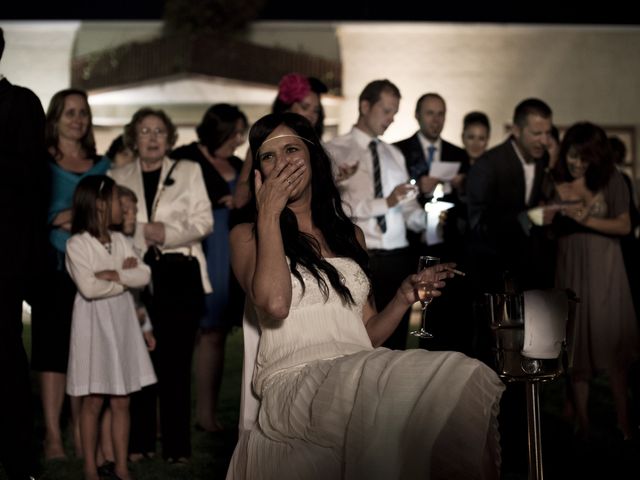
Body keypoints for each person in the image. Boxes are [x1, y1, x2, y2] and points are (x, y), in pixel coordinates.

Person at [225, 112, 505, 479]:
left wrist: (404, 296)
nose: (282, 163)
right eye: (268, 156)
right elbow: (276, 304)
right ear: (258, 171)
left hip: (356, 368)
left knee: (460, 373)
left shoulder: (350, 236)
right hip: (295, 382)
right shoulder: (247, 235)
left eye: (292, 149)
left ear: (313, 158)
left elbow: (366, 334)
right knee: (410, 384)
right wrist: (269, 214)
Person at [109, 107, 213, 463]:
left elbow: (204, 222)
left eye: (158, 131)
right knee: (138, 357)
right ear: (133, 138)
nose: (152, 138)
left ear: (169, 138)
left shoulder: (189, 170)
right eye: (144, 131)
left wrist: (166, 233)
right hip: (134, 273)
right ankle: (139, 443)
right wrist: (140, 233)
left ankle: (177, 447)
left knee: (175, 362)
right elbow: (112, 225)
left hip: (180, 272)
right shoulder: (117, 174)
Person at [30, 88, 110, 460]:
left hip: (92, 272)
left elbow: (106, 216)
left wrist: (68, 219)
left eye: (83, 113)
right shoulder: (39, 164)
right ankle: (52, 437)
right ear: (55, 119)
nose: (78, 120)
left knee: (86, 352)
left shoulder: (102, 165)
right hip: (53, 270)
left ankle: (82, 434)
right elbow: (34, 216)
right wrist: (61, 220)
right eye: (70, 113)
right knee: (51, 352)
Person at [549, 122, 639, 441]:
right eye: (573, 156)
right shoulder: (555, 180)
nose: (576, 164)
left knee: (612, 344)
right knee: (575, 347)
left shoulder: (613, 180)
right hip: (570, 266)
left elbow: (625, 225)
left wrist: (586, 218)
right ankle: (583, 424)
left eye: (584, 159)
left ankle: (624, 423)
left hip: (606, 268)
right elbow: (541, 223)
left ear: (596, 158)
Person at [65, 174, 156, 480]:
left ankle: (120, 466)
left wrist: (112, 274)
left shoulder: (120, 240)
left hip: (121, 323)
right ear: (101, 204)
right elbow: (89, 289)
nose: (122, 206)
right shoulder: (77, 244)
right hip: (93, 326)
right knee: (93, 399)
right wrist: (123, 276)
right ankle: (91, 467)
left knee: (122, 399)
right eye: (117, 200)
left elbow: (143, 275)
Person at [326, 79, 423, 350]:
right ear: (365, 105)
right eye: (387, 110)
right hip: (357, 256)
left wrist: (426, 217)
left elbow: (406, 207)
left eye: (395, 113)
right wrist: (386, 202)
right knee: (359, 340)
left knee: (396, 342)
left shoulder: (394, 154)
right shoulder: (333, 150)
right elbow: (338, 209)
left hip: (396, 257)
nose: (391, 119)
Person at [170, 103, 248, 433]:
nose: (240, 140)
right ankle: (170, 417)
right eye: (236, 133)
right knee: (182, 334)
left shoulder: (238, 164)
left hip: (226, 250)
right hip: (195, 247)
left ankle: (206, 414)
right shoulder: (185, 157)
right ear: (220, 129)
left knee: (215, 333)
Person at [0, 26, 48, 480]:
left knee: (6, 361)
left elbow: (31, 177)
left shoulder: (22, 104)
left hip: (3, 261)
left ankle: (20, 462)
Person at [466, 97, 553, 293]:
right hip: (492, 273)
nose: (544, 141)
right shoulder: (487, 165)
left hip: (530, 271)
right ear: (515, 130)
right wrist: (524, 218)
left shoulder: (541, 161)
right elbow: (476, 225)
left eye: (547, 133)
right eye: (537, 133)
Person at [234, 72, 339, 210]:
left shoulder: (316, 144)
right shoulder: (265, 142)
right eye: (305, 107)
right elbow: (240, 199)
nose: (312, 115)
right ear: (287, 106)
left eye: (316, 110)